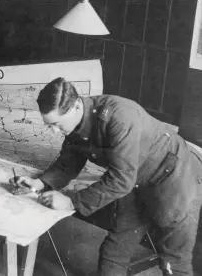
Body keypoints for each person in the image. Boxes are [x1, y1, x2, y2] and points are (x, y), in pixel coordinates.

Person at [13, 77, 202, 276]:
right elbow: (69, 162)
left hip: (175, 178)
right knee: (115, 250)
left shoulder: (118, 117)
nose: (54, 131)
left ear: (76, 106)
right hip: (136, 180)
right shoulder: (76, 121)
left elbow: (121, 180)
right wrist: (40, 183)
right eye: (49, 125)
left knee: (174, 262)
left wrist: (72, 203)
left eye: (58, 124)